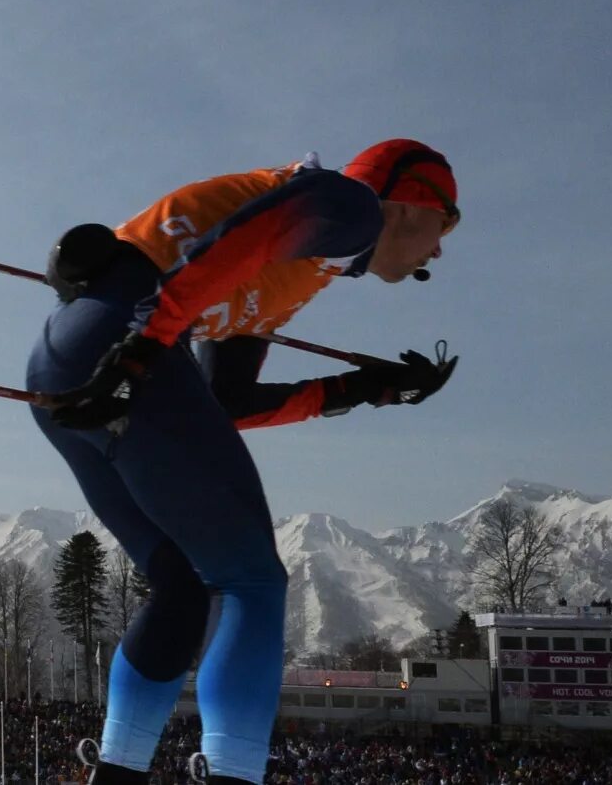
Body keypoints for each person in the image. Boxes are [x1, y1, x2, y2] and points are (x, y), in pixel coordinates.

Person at [30, 140, 461, 783]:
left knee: (183, 581)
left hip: (64, 361)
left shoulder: (297, 270)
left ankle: (117, 772)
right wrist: (146, 343)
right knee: (252, 583)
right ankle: (233, 771)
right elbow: (260, 228)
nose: (441, 248)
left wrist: (363, 389)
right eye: (446, 221)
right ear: (409, 204)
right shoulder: (353, 206)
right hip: (126, 344)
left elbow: (221, 404)